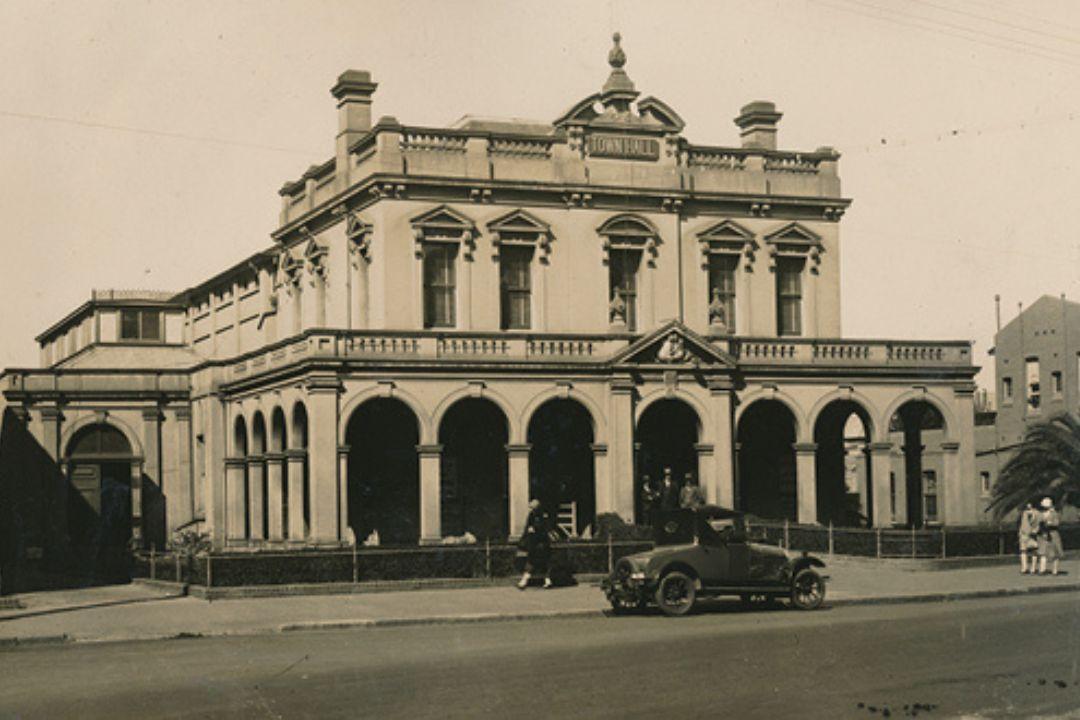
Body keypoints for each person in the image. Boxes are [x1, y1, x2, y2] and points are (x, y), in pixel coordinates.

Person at [517, 500, 553, 589]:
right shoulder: (531, 515)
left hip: (542, 542)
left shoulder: (543, 516)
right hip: (534, 542)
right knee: (532, 560)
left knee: (541, 562)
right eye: (531, 508)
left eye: (533, 508)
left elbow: (546, 529)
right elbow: (527, 527)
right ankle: (525, 580)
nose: (532, 510)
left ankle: (546, 580)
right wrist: (524, 537)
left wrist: (535, 529)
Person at [1037, 497, 1064, 576]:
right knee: (1043, 552)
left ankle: (1055, 570)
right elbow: (1038, 523)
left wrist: (1050, 523)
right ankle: (1042, 570)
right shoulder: (1041, 514)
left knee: (1055, 553)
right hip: (1044, 534)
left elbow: (1057, 523)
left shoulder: (1054, 513)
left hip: (1053, 534)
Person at [1018, 502, 1039, 574]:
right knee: (1026, 551)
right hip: (1026, 533)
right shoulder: (1025, 513)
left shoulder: (1032, 513)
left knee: (1030, 551)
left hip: (1029, 534)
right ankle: (1026, 568)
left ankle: (1029, 568)